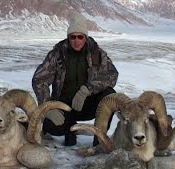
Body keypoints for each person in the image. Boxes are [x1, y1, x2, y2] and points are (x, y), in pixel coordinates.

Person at [32, 14, 118, 146]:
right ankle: (69, 130)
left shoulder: (97, 53)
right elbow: (39, 79)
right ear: (68, 38)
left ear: (85, 37)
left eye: (80, 37)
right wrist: (47, 107)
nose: (76, 40)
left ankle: (99, 141)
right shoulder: (57, 54)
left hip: (87, 104)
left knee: (109, 95)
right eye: (73, 37)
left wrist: (87, 90)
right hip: (64, 106)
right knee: (51, 126)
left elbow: (111, 74)